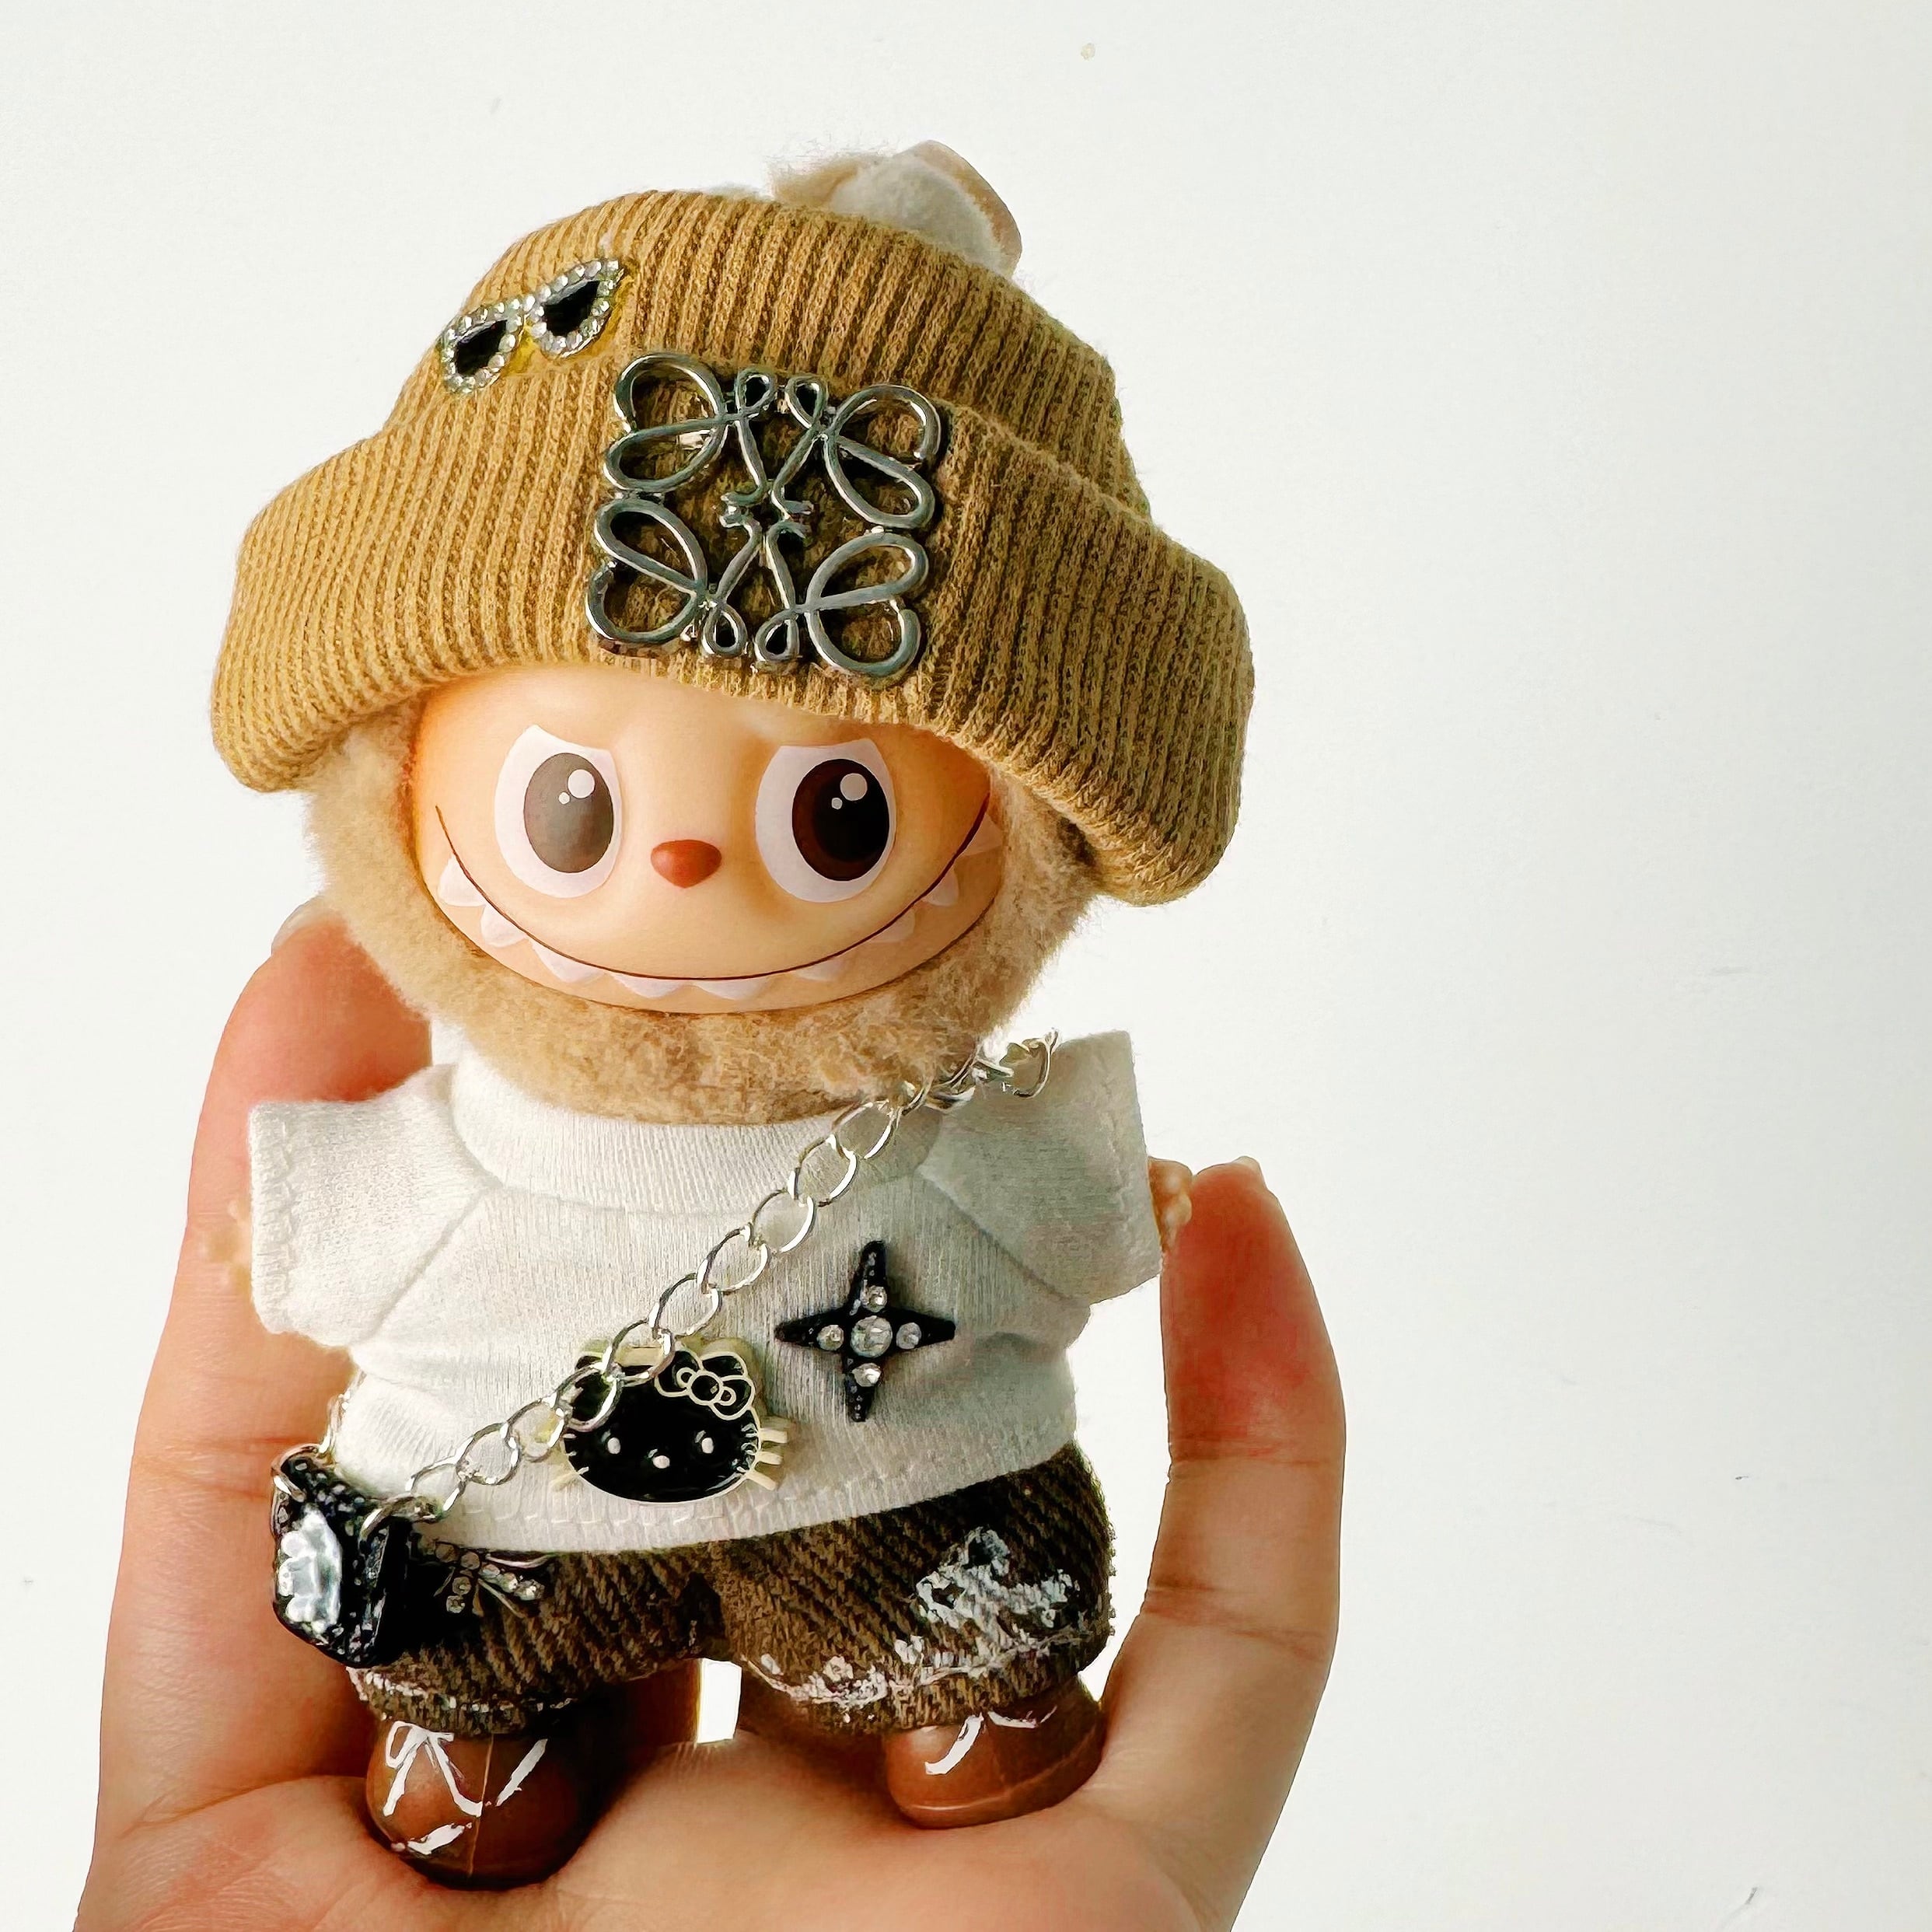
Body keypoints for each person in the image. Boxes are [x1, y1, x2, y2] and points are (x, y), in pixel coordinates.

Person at [77, 913, 1344, 1928]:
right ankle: (478, 1758)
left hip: (894, 1511)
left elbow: (1053, 1183)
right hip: (516, 1546)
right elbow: (314, 1232)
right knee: (470, 1662)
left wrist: (1108, 1190)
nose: (687, 859)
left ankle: (971, 1711)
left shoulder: (930, 1128)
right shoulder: (452, 1151)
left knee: (955, 1617)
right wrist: (279, 1239)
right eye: (573, 811)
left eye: (839, 820)